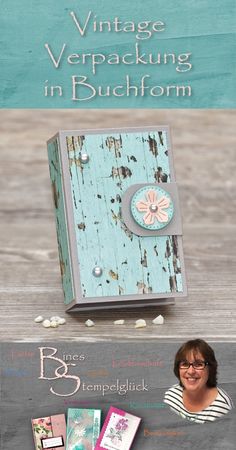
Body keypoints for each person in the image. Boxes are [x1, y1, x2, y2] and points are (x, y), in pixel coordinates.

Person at [164, 339, 233, 424]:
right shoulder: (171, 396)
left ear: (210, 368)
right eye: (185, 364)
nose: (191, 371)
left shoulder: (222, 407)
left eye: (198, 364)